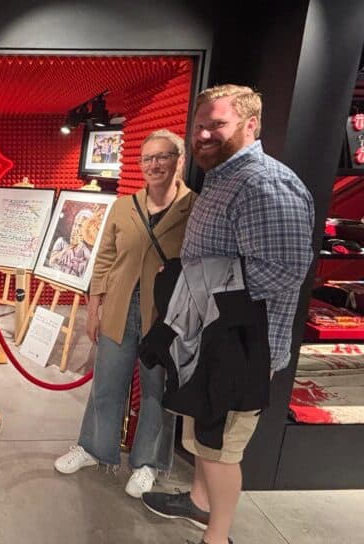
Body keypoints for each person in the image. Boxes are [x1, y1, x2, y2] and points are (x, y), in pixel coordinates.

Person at [141, 85, 314, 544]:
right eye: (198, 125)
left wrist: (196, 282)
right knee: (204, 433)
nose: (202, 134)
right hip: (213, 339)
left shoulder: (263, 183)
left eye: (216, 124)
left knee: (221, 449)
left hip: (243, 345)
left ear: (250, 124)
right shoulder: (221, 178)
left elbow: (283, 271)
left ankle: (217, 537)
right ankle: (199, 504)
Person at [54, 129, 196, 498]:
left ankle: (147, 463)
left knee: (155, 390)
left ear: (179, 160)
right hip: (119, 305)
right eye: (147, 158)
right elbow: (103, 257)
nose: (154, 165)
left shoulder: (194, 207)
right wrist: (94, 305)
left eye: (162, 157)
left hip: (165, 315)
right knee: (106, 383)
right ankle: (94, 448)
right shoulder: (123, 205)